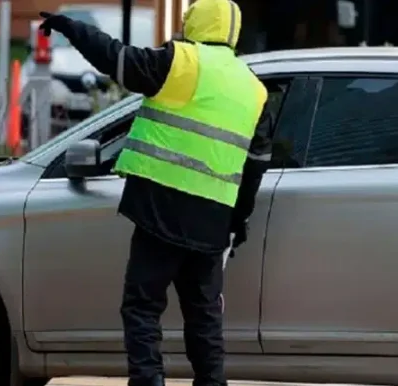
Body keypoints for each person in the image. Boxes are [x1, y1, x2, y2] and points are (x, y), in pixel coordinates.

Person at [40, 1, 272, 385]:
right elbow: (256, 164)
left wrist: (72, 28)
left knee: (143, 308)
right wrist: (237, 221)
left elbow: (116, 59)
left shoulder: (180, 62)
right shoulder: (253, 89)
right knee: (204, 318)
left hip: (161, 208)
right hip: (213, 221)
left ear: (195, 20)